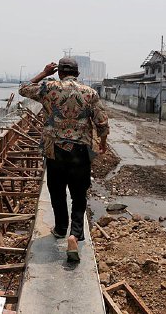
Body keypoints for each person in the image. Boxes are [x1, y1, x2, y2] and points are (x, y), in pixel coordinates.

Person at [18, 57, 109, 262]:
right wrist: (102, 142)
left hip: (55, 150)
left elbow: (23, 89)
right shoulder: (90, 93)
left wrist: (44, 72)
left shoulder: (49, 88)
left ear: (59, 72)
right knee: (78, 194)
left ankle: (60, 228)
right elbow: (102, 121)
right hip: (80, 151)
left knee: (57, 191)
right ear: (77, 74)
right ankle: (74, 235)